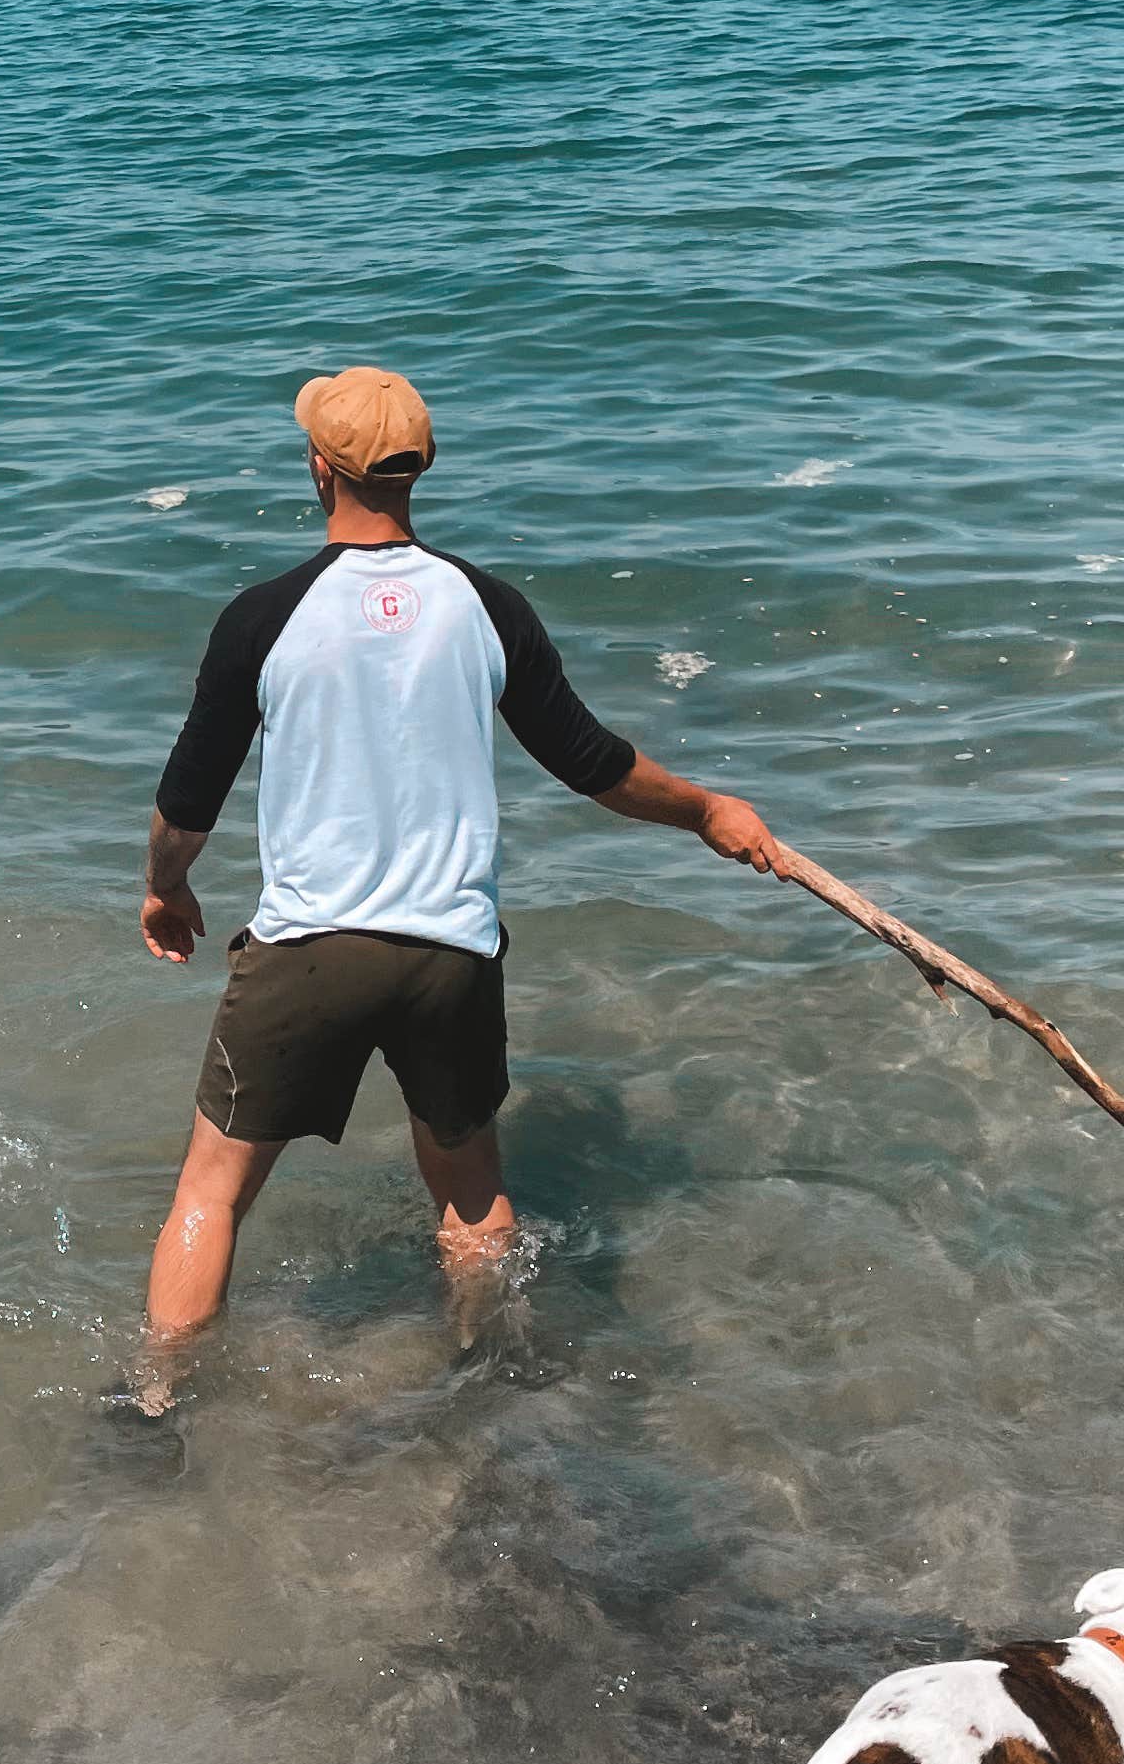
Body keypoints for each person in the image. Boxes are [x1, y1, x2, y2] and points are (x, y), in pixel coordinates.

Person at [140, 364, 782, 1363]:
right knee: (474, 1199)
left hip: (312, 945)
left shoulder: (263, 618)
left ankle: (159, 1406)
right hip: (452, 954)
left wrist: (165, 886)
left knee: (211, 1193)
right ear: (417, 471)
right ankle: (487, 1388)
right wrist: (707, 812)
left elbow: (188, 803)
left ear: (319, 466)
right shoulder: (487, 606)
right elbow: (592, 763)